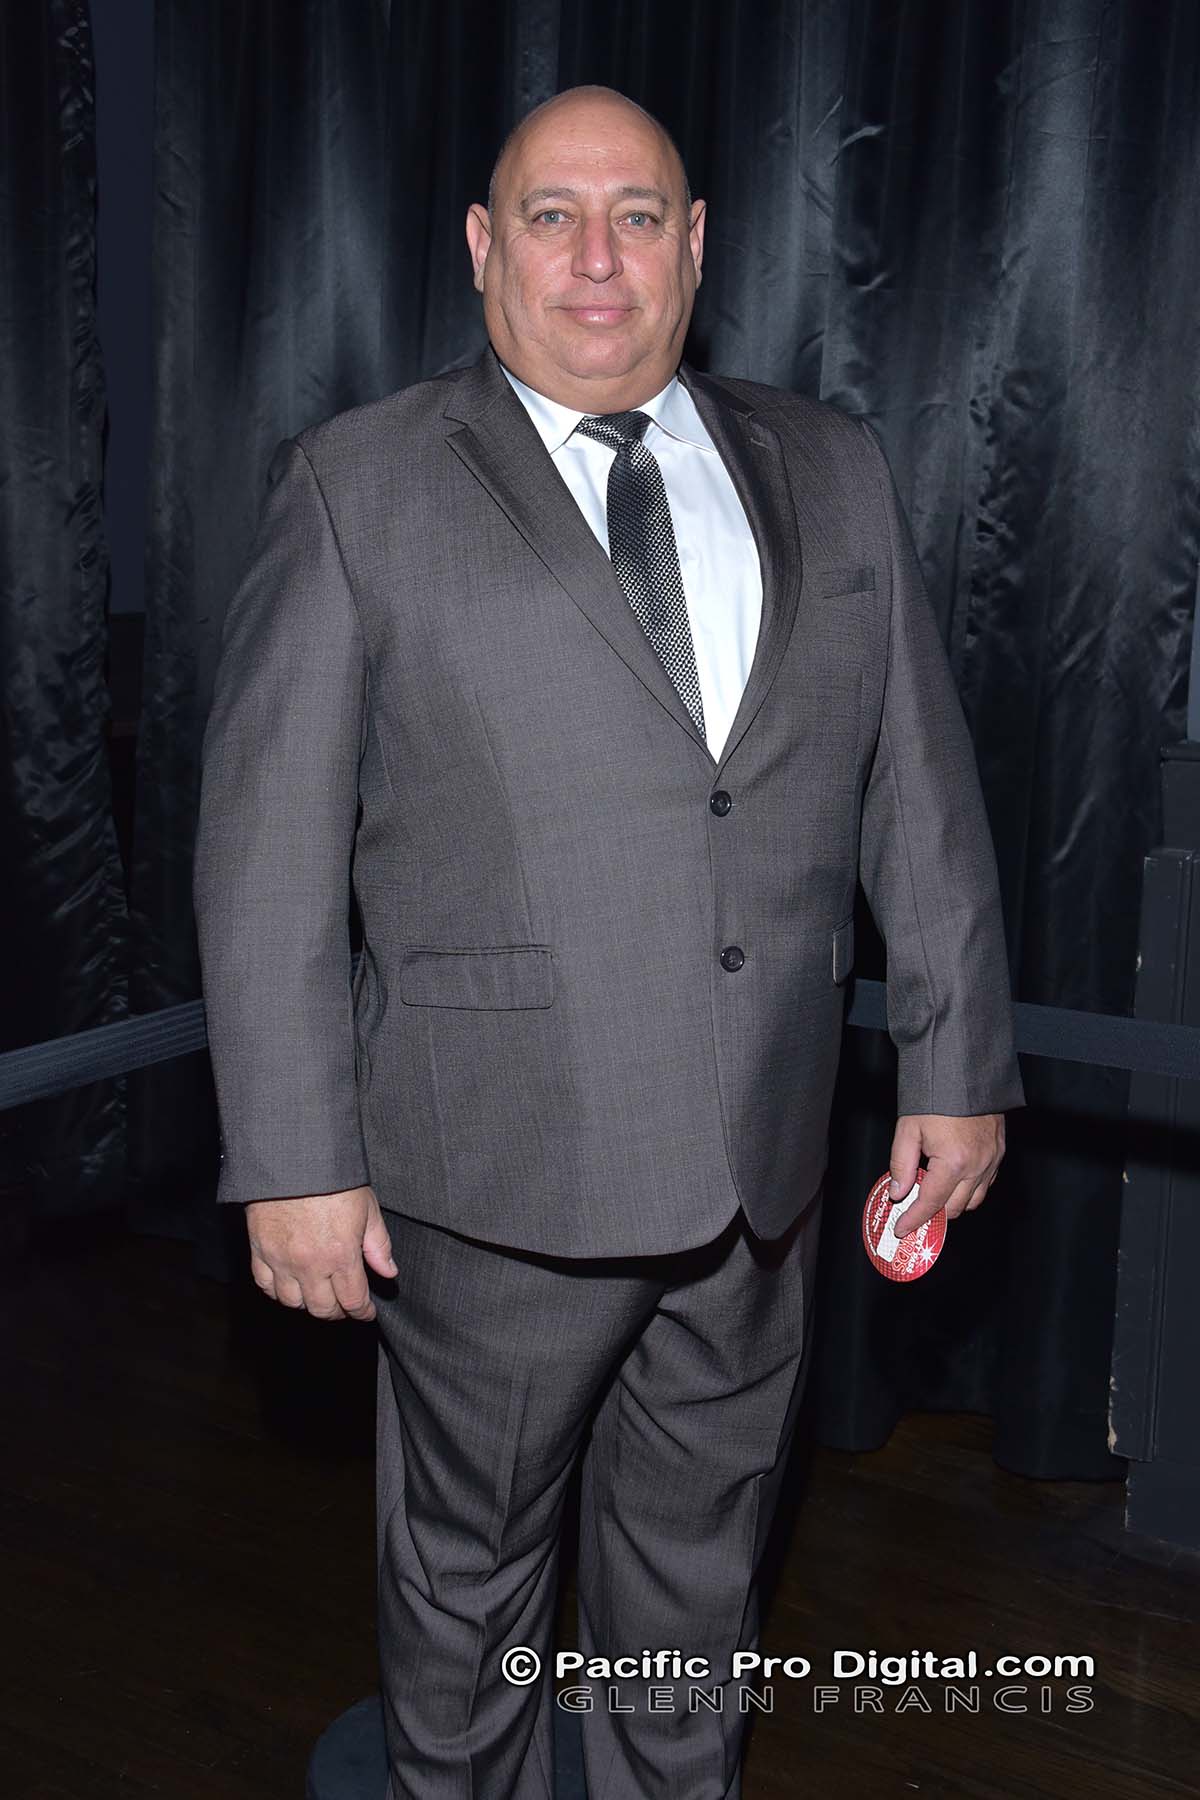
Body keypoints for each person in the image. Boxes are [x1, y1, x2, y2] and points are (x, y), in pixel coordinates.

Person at [193, 83, 1024, 1800]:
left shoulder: (833, 467)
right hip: (493, 1184)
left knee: (698, 1580)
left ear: (695, 246)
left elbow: (916, 788)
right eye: (551, 215)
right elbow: (266, 850)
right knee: (470, 1587)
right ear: (482, 246)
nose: (596, 256)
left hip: (763, 1178)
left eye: (637, 216)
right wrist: (292, 1158)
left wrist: (957, 1061)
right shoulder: (360, 483)